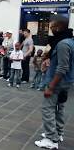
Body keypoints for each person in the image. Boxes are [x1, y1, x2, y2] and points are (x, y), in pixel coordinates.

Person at [35, 18, 74, 150]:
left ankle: (51, 138)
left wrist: (51, 87)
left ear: (58, 27)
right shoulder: (70, 40)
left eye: (52, 27)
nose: (50, 29)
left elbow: (62, 67)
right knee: (60, 108)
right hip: (66, 82)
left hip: (57, 82)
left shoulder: (63, 44)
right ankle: (58, 132)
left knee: (48, 109)